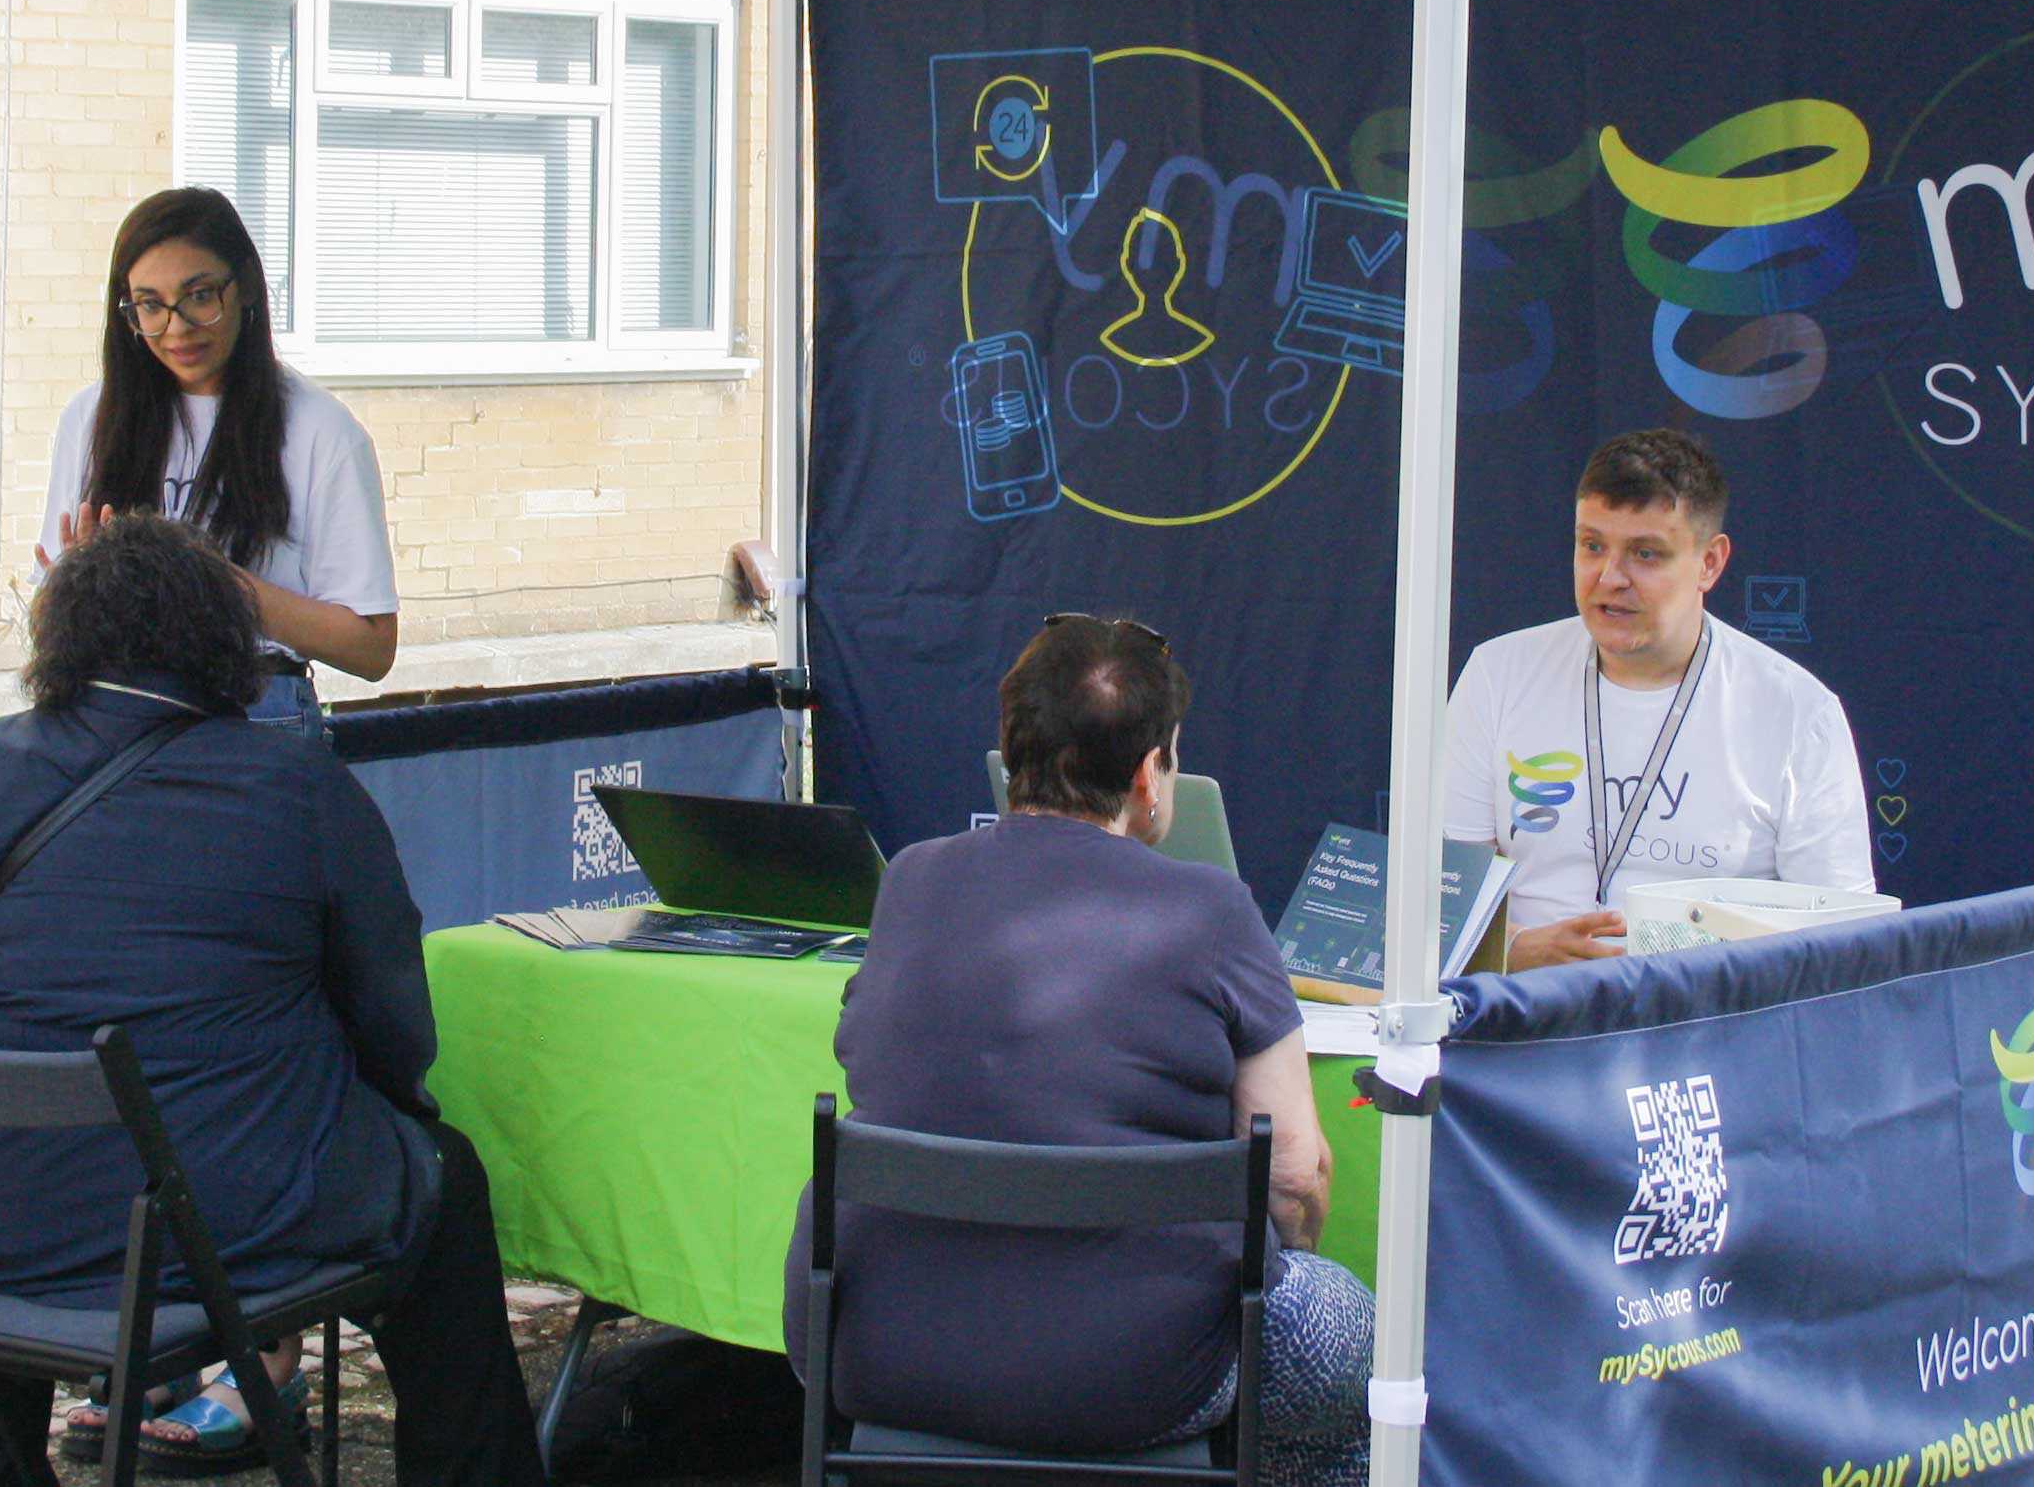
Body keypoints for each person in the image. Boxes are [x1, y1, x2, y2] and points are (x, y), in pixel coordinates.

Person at [0, 513, 542, 1487]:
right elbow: (390, 1014)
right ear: (223, 644)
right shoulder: (294, 783)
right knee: (443, 1180)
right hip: (240, 1212)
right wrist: (356, 1109)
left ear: (57, 638)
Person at [789, 615, 1374, 1487]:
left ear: (1010, 745)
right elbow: (1294, 1177)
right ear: (1148, 775)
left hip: (872, 1347)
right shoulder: (1214, 908)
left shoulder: (909, 878)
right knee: (1344, 1340)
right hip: (1136, 1377)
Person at [1442, 426, 1877, 970]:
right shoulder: (1498, 673)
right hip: (1521, 1017)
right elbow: (1437, 905)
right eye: (1591, 545)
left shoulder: (1796, 711)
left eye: (1645, 554)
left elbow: (1849, 942)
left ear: (1710, 564)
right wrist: (1515, 953)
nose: (1609, 577)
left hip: (1708, 1028)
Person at [41, 186, 399, 728]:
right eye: (151, 306)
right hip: (115, 706)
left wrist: (213, 585)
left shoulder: (322, 430)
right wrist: (83, 584)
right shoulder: (89, 418)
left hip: (256, 710)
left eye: (200, 296)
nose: (177, 328)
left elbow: (372, 651)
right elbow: (45, 617)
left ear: (247, 286)